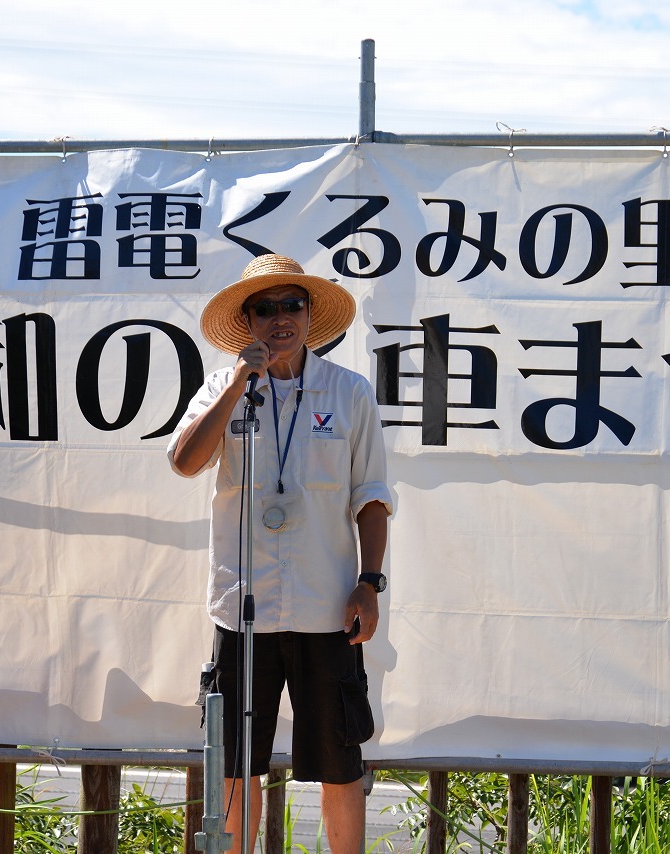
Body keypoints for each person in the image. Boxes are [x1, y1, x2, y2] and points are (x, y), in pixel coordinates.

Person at [167, 253, 393, 853]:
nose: (279, 318)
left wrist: (370, 583)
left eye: (290, 304)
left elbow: (371, 495)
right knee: (238, 767)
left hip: (328, 607)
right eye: (263, 308)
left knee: (340, 765)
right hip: (244, 609)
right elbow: (185, 462)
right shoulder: (224, 387)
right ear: (247, 323)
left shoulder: (349, 392)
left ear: (310, 314)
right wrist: (240, 381)